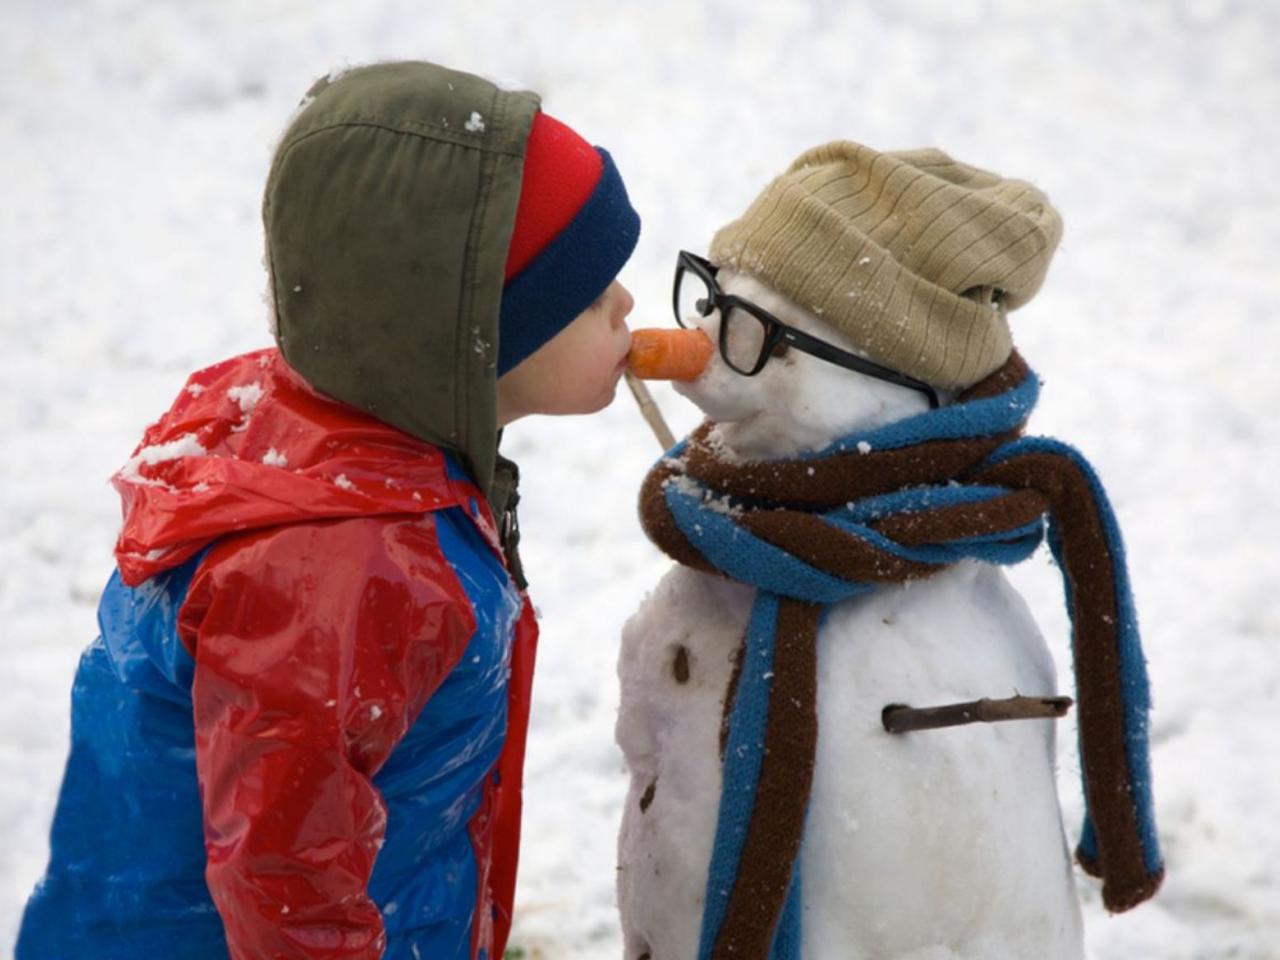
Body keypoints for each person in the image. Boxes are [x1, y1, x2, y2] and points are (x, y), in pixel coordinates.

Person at [16, 59, 640, 960]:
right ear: (470, 340)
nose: (624, 303)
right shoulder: (336, 564)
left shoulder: (359, 444)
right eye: (587, 293)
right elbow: (284, 884)